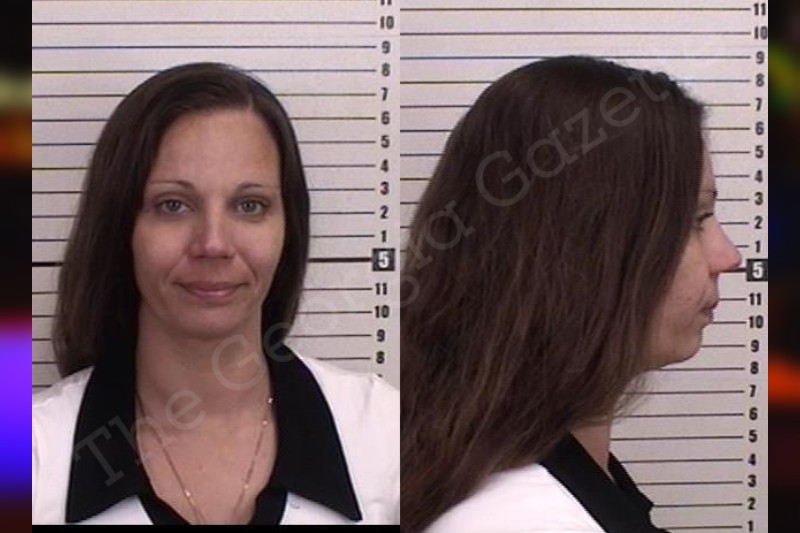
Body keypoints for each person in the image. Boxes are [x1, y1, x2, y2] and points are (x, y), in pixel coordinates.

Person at [32, 62, 399, 525]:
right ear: (120, 226)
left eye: (250, 205)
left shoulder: (386, 436)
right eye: (173, 205)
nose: (213, 243)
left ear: (288, 227)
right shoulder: (32, 455)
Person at [400, 56, 742, 533]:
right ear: (581, 250)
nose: (729, 256)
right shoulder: (519, 519)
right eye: (694, 220)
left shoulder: (544, 475)